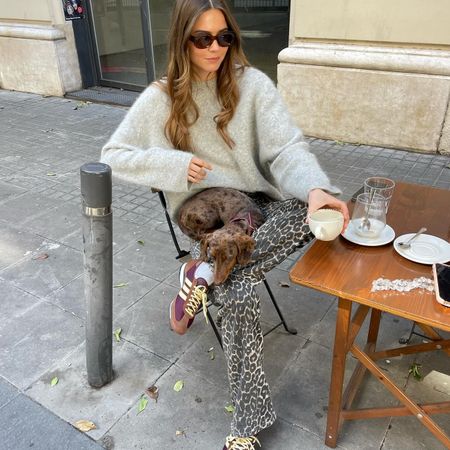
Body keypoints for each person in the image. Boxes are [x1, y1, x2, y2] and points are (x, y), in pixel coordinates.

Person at [100, 0, 349, 448]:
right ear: (182, 40)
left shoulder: (253, 85)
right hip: (204, 210)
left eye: (224, 36)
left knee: (313, 216)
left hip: (255, 205)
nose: (215, 48)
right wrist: (173, 165)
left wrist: (314, 188)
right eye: (202, 39)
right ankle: (246, 425)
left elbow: (287, 148)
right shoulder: (161, 97)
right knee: (238, 292)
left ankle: (206, 272)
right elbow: (113, 155)